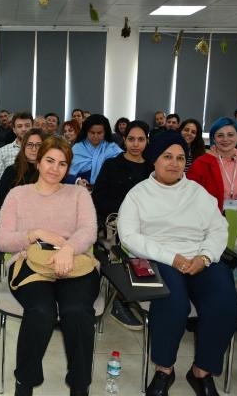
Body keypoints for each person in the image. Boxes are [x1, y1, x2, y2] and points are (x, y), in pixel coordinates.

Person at [117, 131, 237, 396]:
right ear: (155, 160)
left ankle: (202, 371)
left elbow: (219, 228)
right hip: (161, 259)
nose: (174, 163)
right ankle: (164, 369)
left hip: (200, 258)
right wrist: (172, 258)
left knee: (224, 302)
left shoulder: (197, 192)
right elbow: (129, 237)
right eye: (167, 157)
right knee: (174, 303)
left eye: (180, 158)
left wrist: (205, 257)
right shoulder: (138, 194)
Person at [0, 136, 99, 396]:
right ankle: (25, 383)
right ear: (38, 161)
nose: (55, 168)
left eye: (62, 164)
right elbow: (4, 240)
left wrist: (68, 248)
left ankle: (80, 386)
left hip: (74, 262)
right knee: (41, 312)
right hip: (30, 264)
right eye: (50, 161)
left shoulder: (78, 194)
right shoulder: (18, 195)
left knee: (76, 311)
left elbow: (88, 231)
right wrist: (36, 233)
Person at [91, 120, 152, 330]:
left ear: (147, 141)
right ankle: (120, 301)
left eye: (140, 139)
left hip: (146, 225)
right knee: (124, 250)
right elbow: (98, 198)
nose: (135, 144)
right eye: (131, 139)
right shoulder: (112, 164)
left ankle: (139, 296)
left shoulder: (152, 168)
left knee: (154, 247)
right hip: (113, 225)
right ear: (124, 140)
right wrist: (128, 211)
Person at [187, 117, 237, 212]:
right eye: (220, 135)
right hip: (207, 217)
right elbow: (190, 196)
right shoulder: (200, 164)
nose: (225, 139)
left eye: (230, 135)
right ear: (213, 138)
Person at [0, 128, 44, 212]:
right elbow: (0, 203)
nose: (34, 149)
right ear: (23, 147)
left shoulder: (49, 171)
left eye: (39, 145)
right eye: (30, 144)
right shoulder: (11, 171)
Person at [67, 114, 122, 189]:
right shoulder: (77, 148)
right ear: (86, 132)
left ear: (105, 132)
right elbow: (65, 173)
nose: (95, 136)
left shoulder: (113, 149)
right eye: (92, 133)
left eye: (99, 133)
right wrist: (77, 181)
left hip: (108, 190)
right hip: (80, 191)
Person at [0, 112, 33, 191]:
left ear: (32, 128)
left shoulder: (42, 149)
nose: (24, 129)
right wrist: (9, 187)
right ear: (14, 130)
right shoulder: (4, 151)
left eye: (27, 125)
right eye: (19, 126)